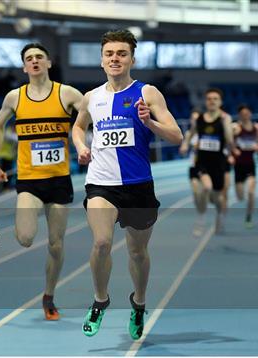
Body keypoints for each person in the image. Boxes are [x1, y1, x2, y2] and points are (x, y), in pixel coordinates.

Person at [72, 29, 183, 339]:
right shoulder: (91, 97)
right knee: (102, 243)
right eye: (109, 54)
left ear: (132, 59)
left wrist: (149, 123)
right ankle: (99, 300)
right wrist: (81, 146)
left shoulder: (148, 93)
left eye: (121, 53)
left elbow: (176, 135)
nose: (115, 58)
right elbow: (78, 127)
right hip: (101, 184)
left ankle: (138, 302)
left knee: (137, 253)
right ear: (102, 60)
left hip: (138, 186)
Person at [0, 43, 83, 321]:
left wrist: (85, 141)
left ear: (49, 62)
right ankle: (25, 231)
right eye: (29, 58)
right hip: (29, 180)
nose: (34, 62)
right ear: (23, 66)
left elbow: (92, 113)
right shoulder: (14, 98)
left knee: (56, 244)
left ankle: (49, 295)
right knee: (26, 238)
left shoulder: (66, 93)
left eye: (39, 57)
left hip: (58, 180)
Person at [180, 88, 238, 234]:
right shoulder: (199, 119)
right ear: (206, 101)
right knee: (205, 187)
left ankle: (220, 215)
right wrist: (186, 144)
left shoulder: (225, 118)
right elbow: (190, 134)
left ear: (220, 102)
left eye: (215, 99)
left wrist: (233, 149)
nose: (212, 101)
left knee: (218, 197)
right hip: (202, 162)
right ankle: (201, 220)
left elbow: (229, 138)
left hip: (218, 163)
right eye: (209, 99)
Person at [232, 105, 258, 228]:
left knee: (250, 192)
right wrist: (234, 150)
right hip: (238, 165)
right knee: (240, 196)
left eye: (247, 113)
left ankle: (249, 217)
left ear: (250, 114)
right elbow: (229, 143)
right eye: (243, 113)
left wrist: (257, 147)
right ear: (240, 115)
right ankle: (242, 198)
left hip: (250, 164)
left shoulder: (256, 127)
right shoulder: (236, 127)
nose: (245, 115)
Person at [179, 108, 206, 236]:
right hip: (194, 166)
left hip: (206, 167)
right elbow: (184, 147)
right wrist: (184, 148)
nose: (194, 121)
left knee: (205, 192)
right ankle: (200, 217)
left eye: (197, 118)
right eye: (192, 119)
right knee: (196, 193)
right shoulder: (190, 133)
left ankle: (202, 213)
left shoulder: (206, 131)